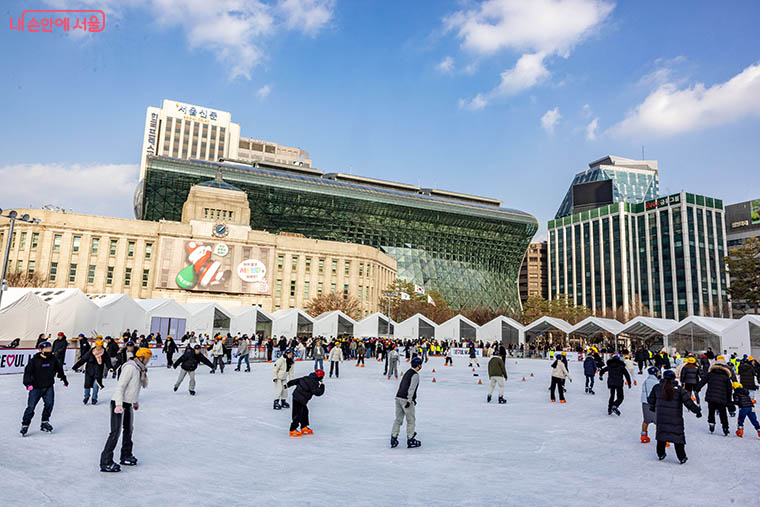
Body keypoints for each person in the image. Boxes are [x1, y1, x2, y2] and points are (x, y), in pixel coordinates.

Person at [99, 347, 151, 472]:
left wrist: (135, 401)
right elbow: (120, 386)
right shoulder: (130, 368)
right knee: (115, 432)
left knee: (128, 430)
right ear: (141, 357)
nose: (148, 361)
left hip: (128, 403)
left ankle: (126, 455)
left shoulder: (140, 369)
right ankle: (106, 462)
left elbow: (138, 386)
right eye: (147, 359)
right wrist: (118, 404)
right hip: (119, 403)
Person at [646, 369, 702, 464]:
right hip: (676, 418)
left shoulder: (657, 387)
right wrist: (696, 411)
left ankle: (661, 454)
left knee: (662, 435)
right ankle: (682, 457)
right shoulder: (679, 390)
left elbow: (651, 400)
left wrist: (652, 407)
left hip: (662, 417)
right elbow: (688, 402)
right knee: (677, 437)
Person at [21, 341, 68, 436]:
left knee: (49, 404)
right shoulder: (34, 360)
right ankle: (25, 425)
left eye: (50, 348)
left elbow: (59, 368)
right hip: (35, 387)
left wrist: (64, 379)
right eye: (46, 349)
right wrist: (27, 384)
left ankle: (44, 422)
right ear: (41, 350)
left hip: (48, 386)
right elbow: (27, 372)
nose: (49, 350)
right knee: (31, 407)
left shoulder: (53, 358)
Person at [697, 356, 735, 436]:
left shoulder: (710, 374)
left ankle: (711, 424)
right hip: (722, 398)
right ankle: (725, 427)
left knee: (711, 411)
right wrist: (729, 400)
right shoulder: (726, 377)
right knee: (723, 413)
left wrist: (697, 388)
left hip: (711, 397)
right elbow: (729, 390)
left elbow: (702, 382)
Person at [391, 357, 422, 448]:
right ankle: (410, 438)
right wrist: (409, 400)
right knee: (411, 420)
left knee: (398, 419)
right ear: (418, 365)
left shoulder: (407, 372)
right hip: (406, 400)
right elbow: (411, 388)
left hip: (398, 397)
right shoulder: (415, 375)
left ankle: (393, 437)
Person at [72, 339, 113, 405]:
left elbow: (107, 361)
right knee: (87, 384)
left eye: (100, 346)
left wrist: (110, 367)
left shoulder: (104, 353)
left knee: (96, 385)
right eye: (98, 346)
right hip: (89, 370)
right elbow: (83, 360)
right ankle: (86, 396)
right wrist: (75, 367)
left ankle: (94, 398)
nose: (99, 348)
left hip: (98, 371)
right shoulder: (90, 352)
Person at [286, 368, 325, 437]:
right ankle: (292, 429)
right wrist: (322, 386)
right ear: (320, 377)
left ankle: (303, 426)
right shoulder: (314, 383)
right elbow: (318, 392)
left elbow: (296, 381)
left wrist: (288, 385)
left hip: (297, 396)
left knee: (305, 412)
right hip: (300, 399)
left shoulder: (306, 377)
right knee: (298, 414)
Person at [640, 366, 661, 443]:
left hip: (645, 402)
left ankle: (643, 435)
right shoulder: (657, 382)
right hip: (655, 403)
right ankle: (662, 439)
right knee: (659, 421)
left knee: (646, 420)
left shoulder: (645, 381)